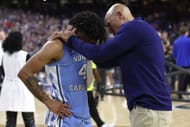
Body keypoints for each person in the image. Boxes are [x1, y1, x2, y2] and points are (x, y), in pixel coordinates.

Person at [52, 3, 172, 127]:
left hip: (150, 108)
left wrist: (71, 40)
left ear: (120, 15)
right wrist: (88, 47)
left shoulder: (132, 28)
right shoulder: (139, 32)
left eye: (109, 24)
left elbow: (100, 54)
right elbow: (104, 62)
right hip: (150, 108)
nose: (108, 30)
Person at [18, 11, 108, 127]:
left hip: (85, 119)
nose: (89, 45)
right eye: (88, 40)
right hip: (64, 120)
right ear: (76, 31)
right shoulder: (56, 46)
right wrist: (49, 102)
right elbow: (25, 73)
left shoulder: (85, 47)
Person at [0, 31, 35, 127]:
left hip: (8, 88)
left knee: (10, 122)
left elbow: (3, 72)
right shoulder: (26, 55)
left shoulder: (4, 56)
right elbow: (31, 73)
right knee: (29, 121)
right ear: (19, 41)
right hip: (23, 88)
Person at [87, 60, 114, 127]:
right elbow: (98, 79)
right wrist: (97, 94)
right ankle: (101, 123)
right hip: (88, 90)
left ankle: (100, 123)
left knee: (91, 108)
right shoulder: (90, 62)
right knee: (92, 108)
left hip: (78, 90)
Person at [172, 25, 190, 99]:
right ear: (186, 32)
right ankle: (184, 93)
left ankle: (180, 94)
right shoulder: (189, 41)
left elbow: (174, 54)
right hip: (188, 63)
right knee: (187, 79)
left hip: (179, 63)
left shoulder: (175, 42)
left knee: (180, 79)